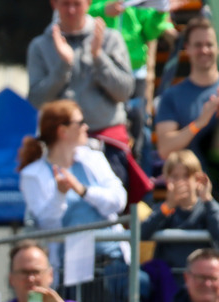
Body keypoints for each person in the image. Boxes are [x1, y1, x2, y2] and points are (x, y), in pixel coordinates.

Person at [27, 0, 135, 186]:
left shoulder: (110, 39)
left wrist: (98, 57)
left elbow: (124, 91)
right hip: (62, 148)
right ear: (54, 4)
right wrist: (63, 66)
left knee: (112, 210)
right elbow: (37, 100)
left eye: (76, 4)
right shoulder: (40, 45)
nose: (71, 10)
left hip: (107, 143)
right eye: (65, 4)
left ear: (88, 3)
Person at [18, 99, 129, 265]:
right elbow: (47, 226)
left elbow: (119, 201)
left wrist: (84, 191)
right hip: (68, 267)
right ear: (63, 131)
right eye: (80, 122)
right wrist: (59, 194)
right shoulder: (31, 175)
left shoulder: (94, 158)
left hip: (111, 259)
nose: (86, 127)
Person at [89, 0, 176, 162]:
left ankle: (136, 165)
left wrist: (160, 13)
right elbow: (79, 16)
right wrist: (103, 9)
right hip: (102, 70)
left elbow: (150, 32)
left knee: (138, 122)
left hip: (135, 73)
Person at [154, 17, 219, 188]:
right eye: (198, 45)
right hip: (193, 198)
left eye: (209, 44)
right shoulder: (172, 96)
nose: (204, 50)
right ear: (187, 48)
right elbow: (164, 149)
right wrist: (199, 123)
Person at [142, 149, 219, 272]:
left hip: (202, 279)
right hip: (168, 282)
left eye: (186, 176)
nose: (181, 182)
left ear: (198, 179)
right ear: (167, 180)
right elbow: (141, 234)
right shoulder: (164, 209)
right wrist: (168, 206)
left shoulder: (208, 208)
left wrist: (208, 199)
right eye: (175, 177)